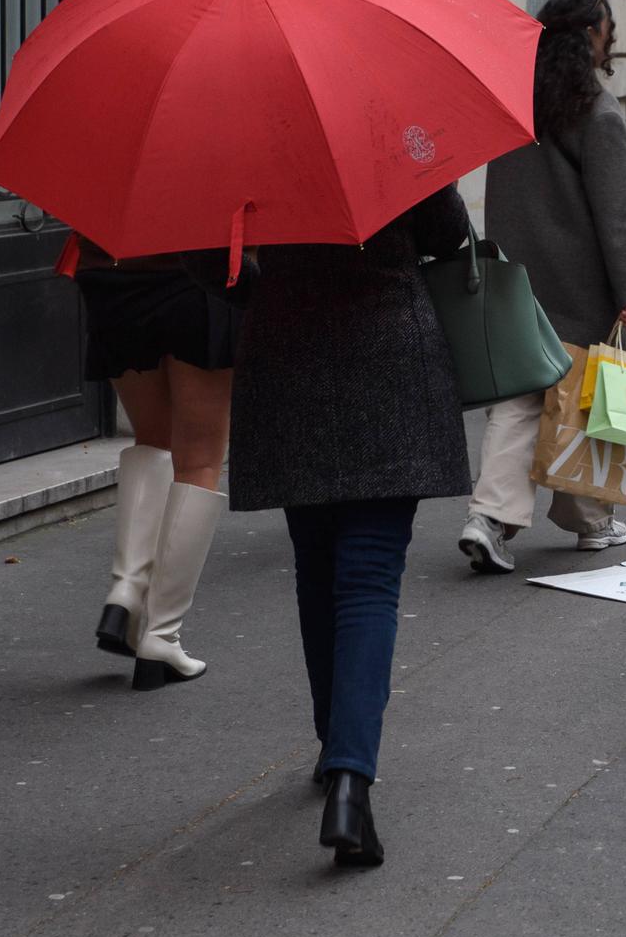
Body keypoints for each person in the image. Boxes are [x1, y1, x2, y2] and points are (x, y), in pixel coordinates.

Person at [192, 185, 471, 868]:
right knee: (369, 575)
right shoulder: (388, 122)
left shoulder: (249, 138)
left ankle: (333, 744)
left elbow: (205, 260)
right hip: (388, 356)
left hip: (287, 358)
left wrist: (264, 287)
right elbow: (447, 234)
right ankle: (351, 777)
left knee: (315, 564)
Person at [458, 0, 626, 575]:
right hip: (580, 280)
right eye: (608, 30)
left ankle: (488, 518)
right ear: (593, 34)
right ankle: (589, 521)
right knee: (582, 397)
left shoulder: (518, 103)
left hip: (519, 275)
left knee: (520, 398)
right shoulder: (597, 110)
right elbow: (617, 215)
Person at [74, 243, 236, 691]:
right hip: (200, 277)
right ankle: (162, 635)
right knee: (201, 458)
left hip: (111, 276)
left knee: (152, 437)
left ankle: (126, 591)